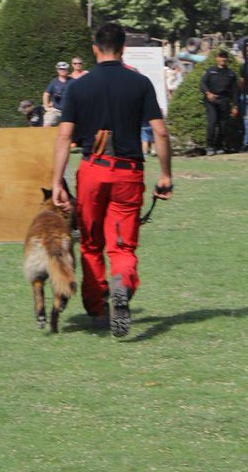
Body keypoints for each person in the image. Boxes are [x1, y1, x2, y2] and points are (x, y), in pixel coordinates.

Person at [51, 22, 172, 338]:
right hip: (128, 172)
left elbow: (64, 137)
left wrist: (56, 183)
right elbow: (159, 131)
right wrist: (166, 176)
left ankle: (99, 308)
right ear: (122, 49)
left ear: (94, 49)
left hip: (92, 169)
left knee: (91, 242)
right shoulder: (140, 83)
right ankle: (122, 280)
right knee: (122, 245)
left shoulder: (77, 86)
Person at [199, 50, 238, 156]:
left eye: (225, 57)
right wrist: (208, 93)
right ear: (217, 58)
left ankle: (219, 145)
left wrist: (235, 106)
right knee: (212, 122)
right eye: (221, 57)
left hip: (224, 100)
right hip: (211, 100)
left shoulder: (231, 74)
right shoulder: (211, 71)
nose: (223, 59)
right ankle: (210, 146)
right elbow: (203, 83)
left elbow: (235, 91)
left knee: (223, 125)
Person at [42, 62, 71, 128]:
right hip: (56, 111)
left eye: (64, 69)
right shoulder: (54, 82)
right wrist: (46, 107)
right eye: (60, 69)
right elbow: (46, 94)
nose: (62, 70)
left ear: (68, 70)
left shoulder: (73, 81)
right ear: (57, 70)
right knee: (48, 122)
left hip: (70, 111)